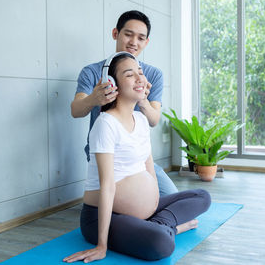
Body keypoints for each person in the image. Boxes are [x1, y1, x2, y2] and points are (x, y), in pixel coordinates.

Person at [63, 53, 211, 263]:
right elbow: (107, 187)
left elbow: (148, 170)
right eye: (130, 75)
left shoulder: (141, 120)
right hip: (102, 217)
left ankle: (158, 224)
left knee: (202, 197)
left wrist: (152, 201)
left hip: (145, 212)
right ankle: (170, 228)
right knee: (162, 244)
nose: (140, 78)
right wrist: (101, 246)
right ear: (113, 84)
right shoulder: (106, 124)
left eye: (140, 73)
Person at [71, 10, 178, 196]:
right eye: (128, 34)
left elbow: (154, 120)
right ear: (115, 34)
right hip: (107, 157)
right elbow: (76, 110)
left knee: (171, 198)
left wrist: (142, 99)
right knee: (133, 208)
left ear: (146, 42)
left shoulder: (152, 75)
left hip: (139, 157)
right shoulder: (92, 72)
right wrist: (93, 99)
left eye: (140, 38)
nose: (133, 42)